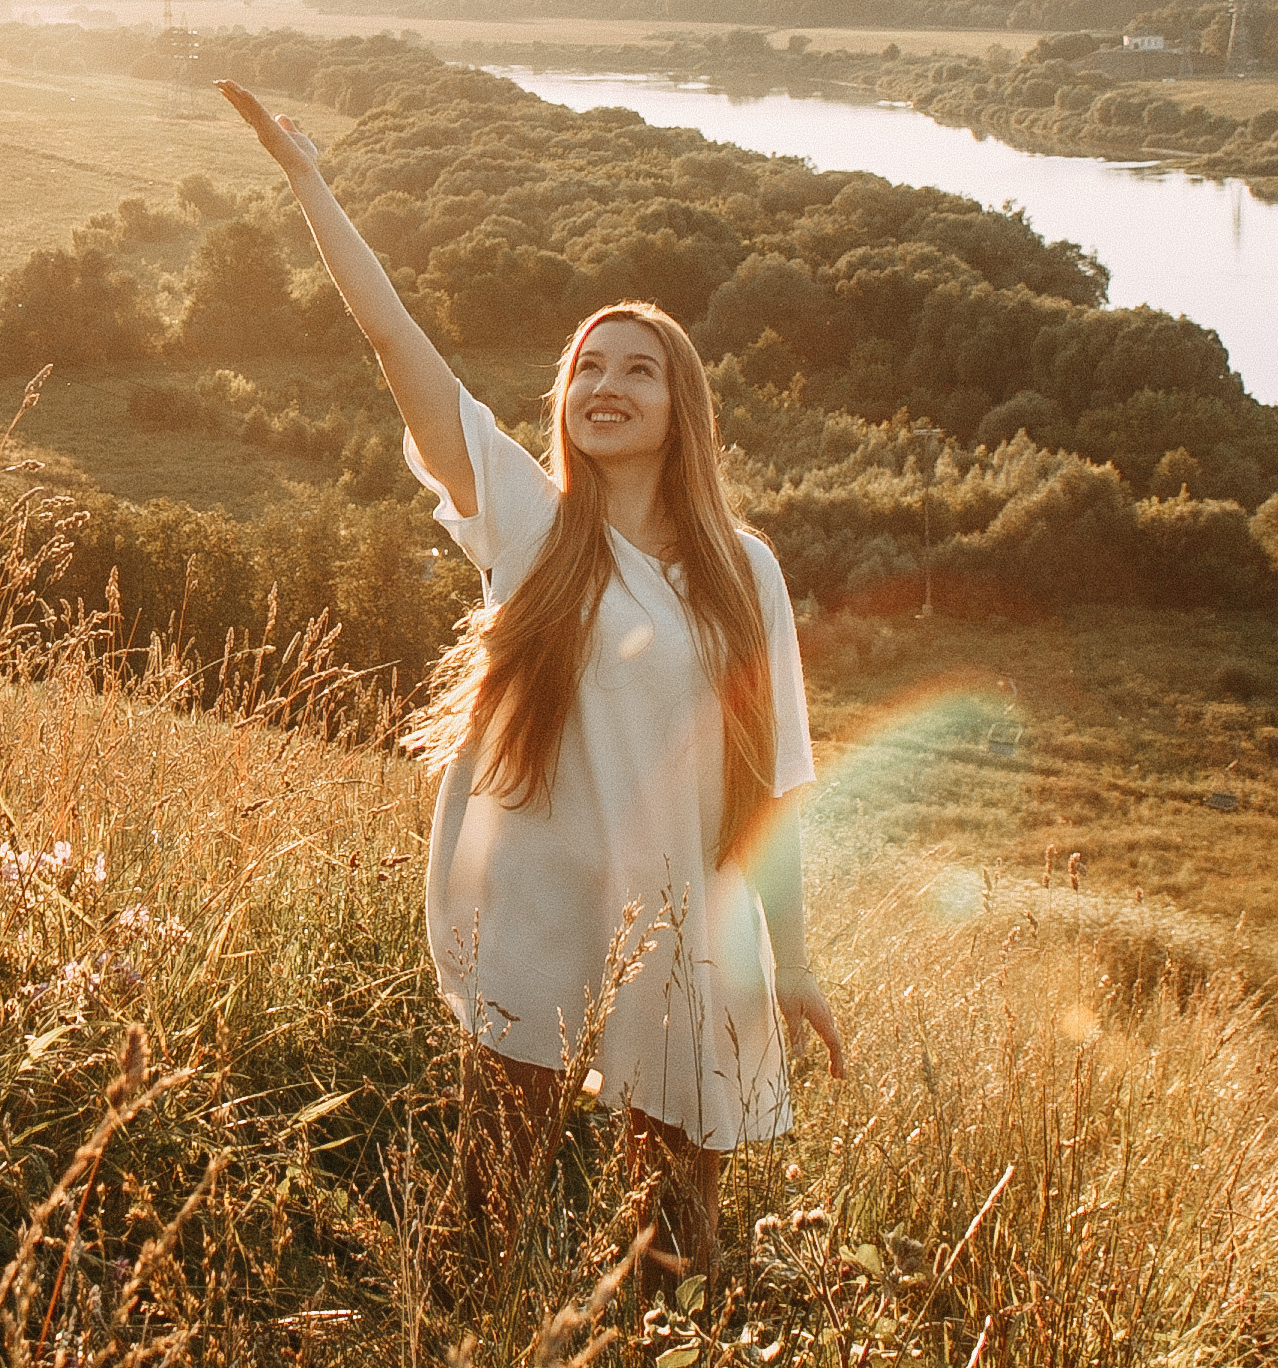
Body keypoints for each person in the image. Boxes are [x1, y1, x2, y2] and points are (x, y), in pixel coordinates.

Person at [219, 81, 844, 1269]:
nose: (603, 385)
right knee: (485, 1212)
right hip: (539, 910)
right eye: (584, 366)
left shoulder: (741, 571)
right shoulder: (530, 524)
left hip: (681, 926)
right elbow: (394, 343)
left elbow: (776, 786)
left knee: (680, 1240)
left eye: (636, 370)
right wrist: (309, 180)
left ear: (680, 408)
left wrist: (795, 956)